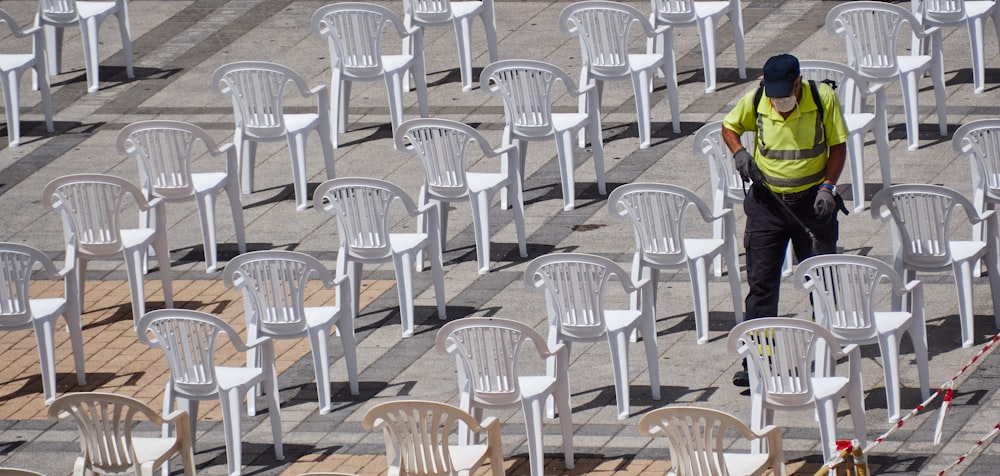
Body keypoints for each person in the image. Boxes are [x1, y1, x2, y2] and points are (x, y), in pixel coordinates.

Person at [721, 54, 849, 387]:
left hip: (812, 204)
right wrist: (739, 152)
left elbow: (838, 147)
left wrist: (828, 189)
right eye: (775, 95)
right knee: (762, 286)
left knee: (821, 282)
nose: (780, 102)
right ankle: (756, 364)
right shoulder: (757, 99)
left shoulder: (823, 99)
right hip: (768, 204)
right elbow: (729, 127)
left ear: (798, 82)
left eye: (785, 93)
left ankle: (827, 351)